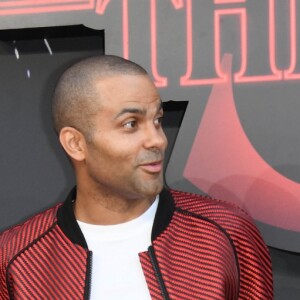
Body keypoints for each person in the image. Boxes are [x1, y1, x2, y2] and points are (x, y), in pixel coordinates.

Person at [0, 55, 273, 300]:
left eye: (157, 120)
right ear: (75, 144)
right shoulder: (18, 258)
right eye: (131, 124)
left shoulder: (226, 231)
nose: (157, 140)